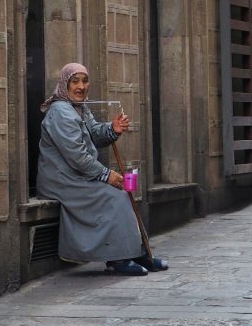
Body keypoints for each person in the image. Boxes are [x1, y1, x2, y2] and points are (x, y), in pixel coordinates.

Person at [36, 62, 168, 276]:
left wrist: (112, 129)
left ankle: (137, 251)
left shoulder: (78, 108)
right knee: (114, 196)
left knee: (124, 191)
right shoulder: (60, 112)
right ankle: (118, 258)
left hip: (78, 176)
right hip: (62, 180)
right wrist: (106, 175)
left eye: (85, 81)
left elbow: (94, 133)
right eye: (75, 81)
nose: (81, 86)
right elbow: (76, 155)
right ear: (64, 84)